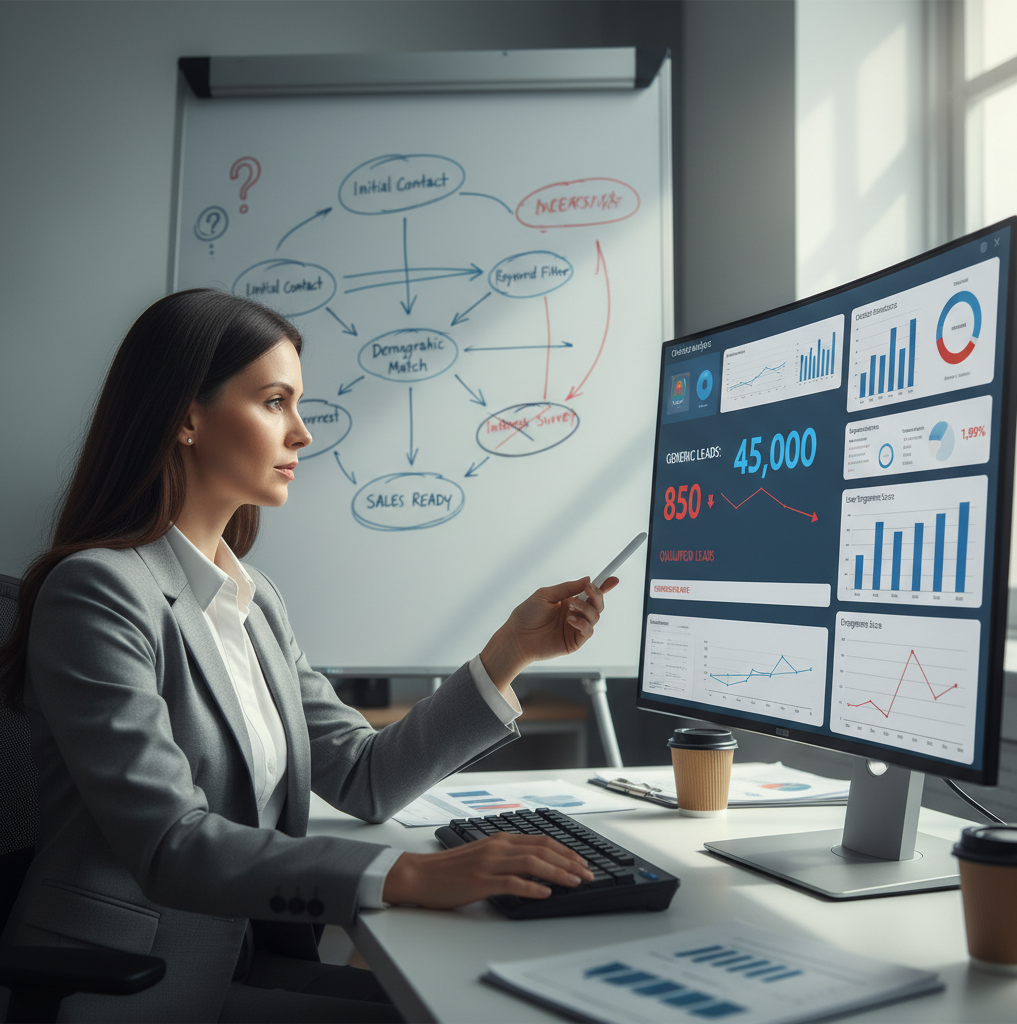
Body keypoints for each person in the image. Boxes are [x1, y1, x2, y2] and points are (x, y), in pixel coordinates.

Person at [0, 290, 617, 1023]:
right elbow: (169, 841)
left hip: (244, 960)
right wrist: (408, 872)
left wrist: (509, 653)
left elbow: (363, 776)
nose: (302, 435)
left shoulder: (252, 599)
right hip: (128, 982)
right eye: (274, 402)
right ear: (186, 416)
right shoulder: (97, 592)